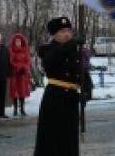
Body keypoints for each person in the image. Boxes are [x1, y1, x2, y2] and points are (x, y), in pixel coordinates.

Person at [34, 16, 88, 156]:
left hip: (71, 100)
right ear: (54, 34)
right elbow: (53, 58)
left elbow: (84, 75)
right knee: (52, 141)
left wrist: (87, 93)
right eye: (63, 31)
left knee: (69, 141)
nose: (67, 34)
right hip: (55, 100)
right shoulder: (47, 50)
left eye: (69, 30)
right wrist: (74, 43)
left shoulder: (75, 53)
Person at [8, 32, 31, 116]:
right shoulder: (12, 51)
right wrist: (18, 67)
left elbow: (28, 61)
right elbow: (11, 61)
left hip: (23, 75)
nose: (18, 43)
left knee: (22, 92)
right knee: (15, 92)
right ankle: (15, 109)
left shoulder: (25, 51)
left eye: (19, 41)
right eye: (16, 41)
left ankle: (22, 109)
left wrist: (24, 67)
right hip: (15, 74)